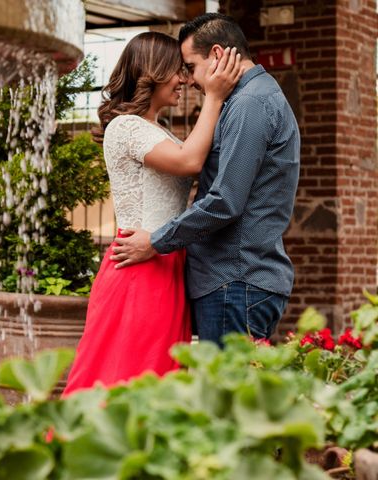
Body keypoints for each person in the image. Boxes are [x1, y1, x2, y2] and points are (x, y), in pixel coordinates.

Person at [62, 31, 243, 396]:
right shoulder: (125, 127)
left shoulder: (154, 129)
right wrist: (214, 96)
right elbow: (190, 159)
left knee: (159, 379)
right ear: (152, 71)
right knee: (127, 376)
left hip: (165, 260)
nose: (186, 79)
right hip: (139, 267)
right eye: (178, 70)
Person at [110, 13, 301, 347]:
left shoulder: (248, 104)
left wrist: (155, 241)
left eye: (191, 66)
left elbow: (225, 201)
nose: (189, 80)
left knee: (225, 398)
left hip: (235, 280)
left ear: (216, 55)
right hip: (234, 282)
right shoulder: (248, 100)